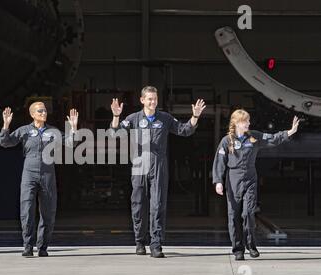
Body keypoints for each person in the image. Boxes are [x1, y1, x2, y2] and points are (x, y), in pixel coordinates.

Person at [110, 86, 206, 258]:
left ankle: (156, 244)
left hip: (159, 165)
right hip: (139, 165)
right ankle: (140, 241)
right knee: (138, 204)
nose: (153, 102)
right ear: (142, 100)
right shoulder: (133, 118)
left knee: (158, 205)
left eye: (155, 99)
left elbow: (184, 130)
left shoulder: (165, 118)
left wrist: (195, 116)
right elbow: (115, 132)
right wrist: (116, 116)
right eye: (149, 99)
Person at [212, 109, 300, 260]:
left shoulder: (254, 136)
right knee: (233, 216)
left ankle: (251, 245)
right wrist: (218, 181)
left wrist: (290, 132)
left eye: (248, 120)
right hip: (233, 181)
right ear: (237, 123)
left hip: (250, 180)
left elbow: (272, 138)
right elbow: (219, 162)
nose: (248, 123)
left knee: (248, 214)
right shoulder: (226, 141)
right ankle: (238, 249)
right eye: (245, 121)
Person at [0, 102, 78, 257]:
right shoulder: (24, 131)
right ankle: (27, 246)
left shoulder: (52, 131)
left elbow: (71, 142)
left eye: (45, 110)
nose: (44, 113)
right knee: (27, 211)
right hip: (29, 174)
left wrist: (73, 128)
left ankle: (42, 247)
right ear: (32, 114)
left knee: (48, 212)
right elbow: (5, 142)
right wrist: (6, 126)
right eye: (40, 110)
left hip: (48, 175)